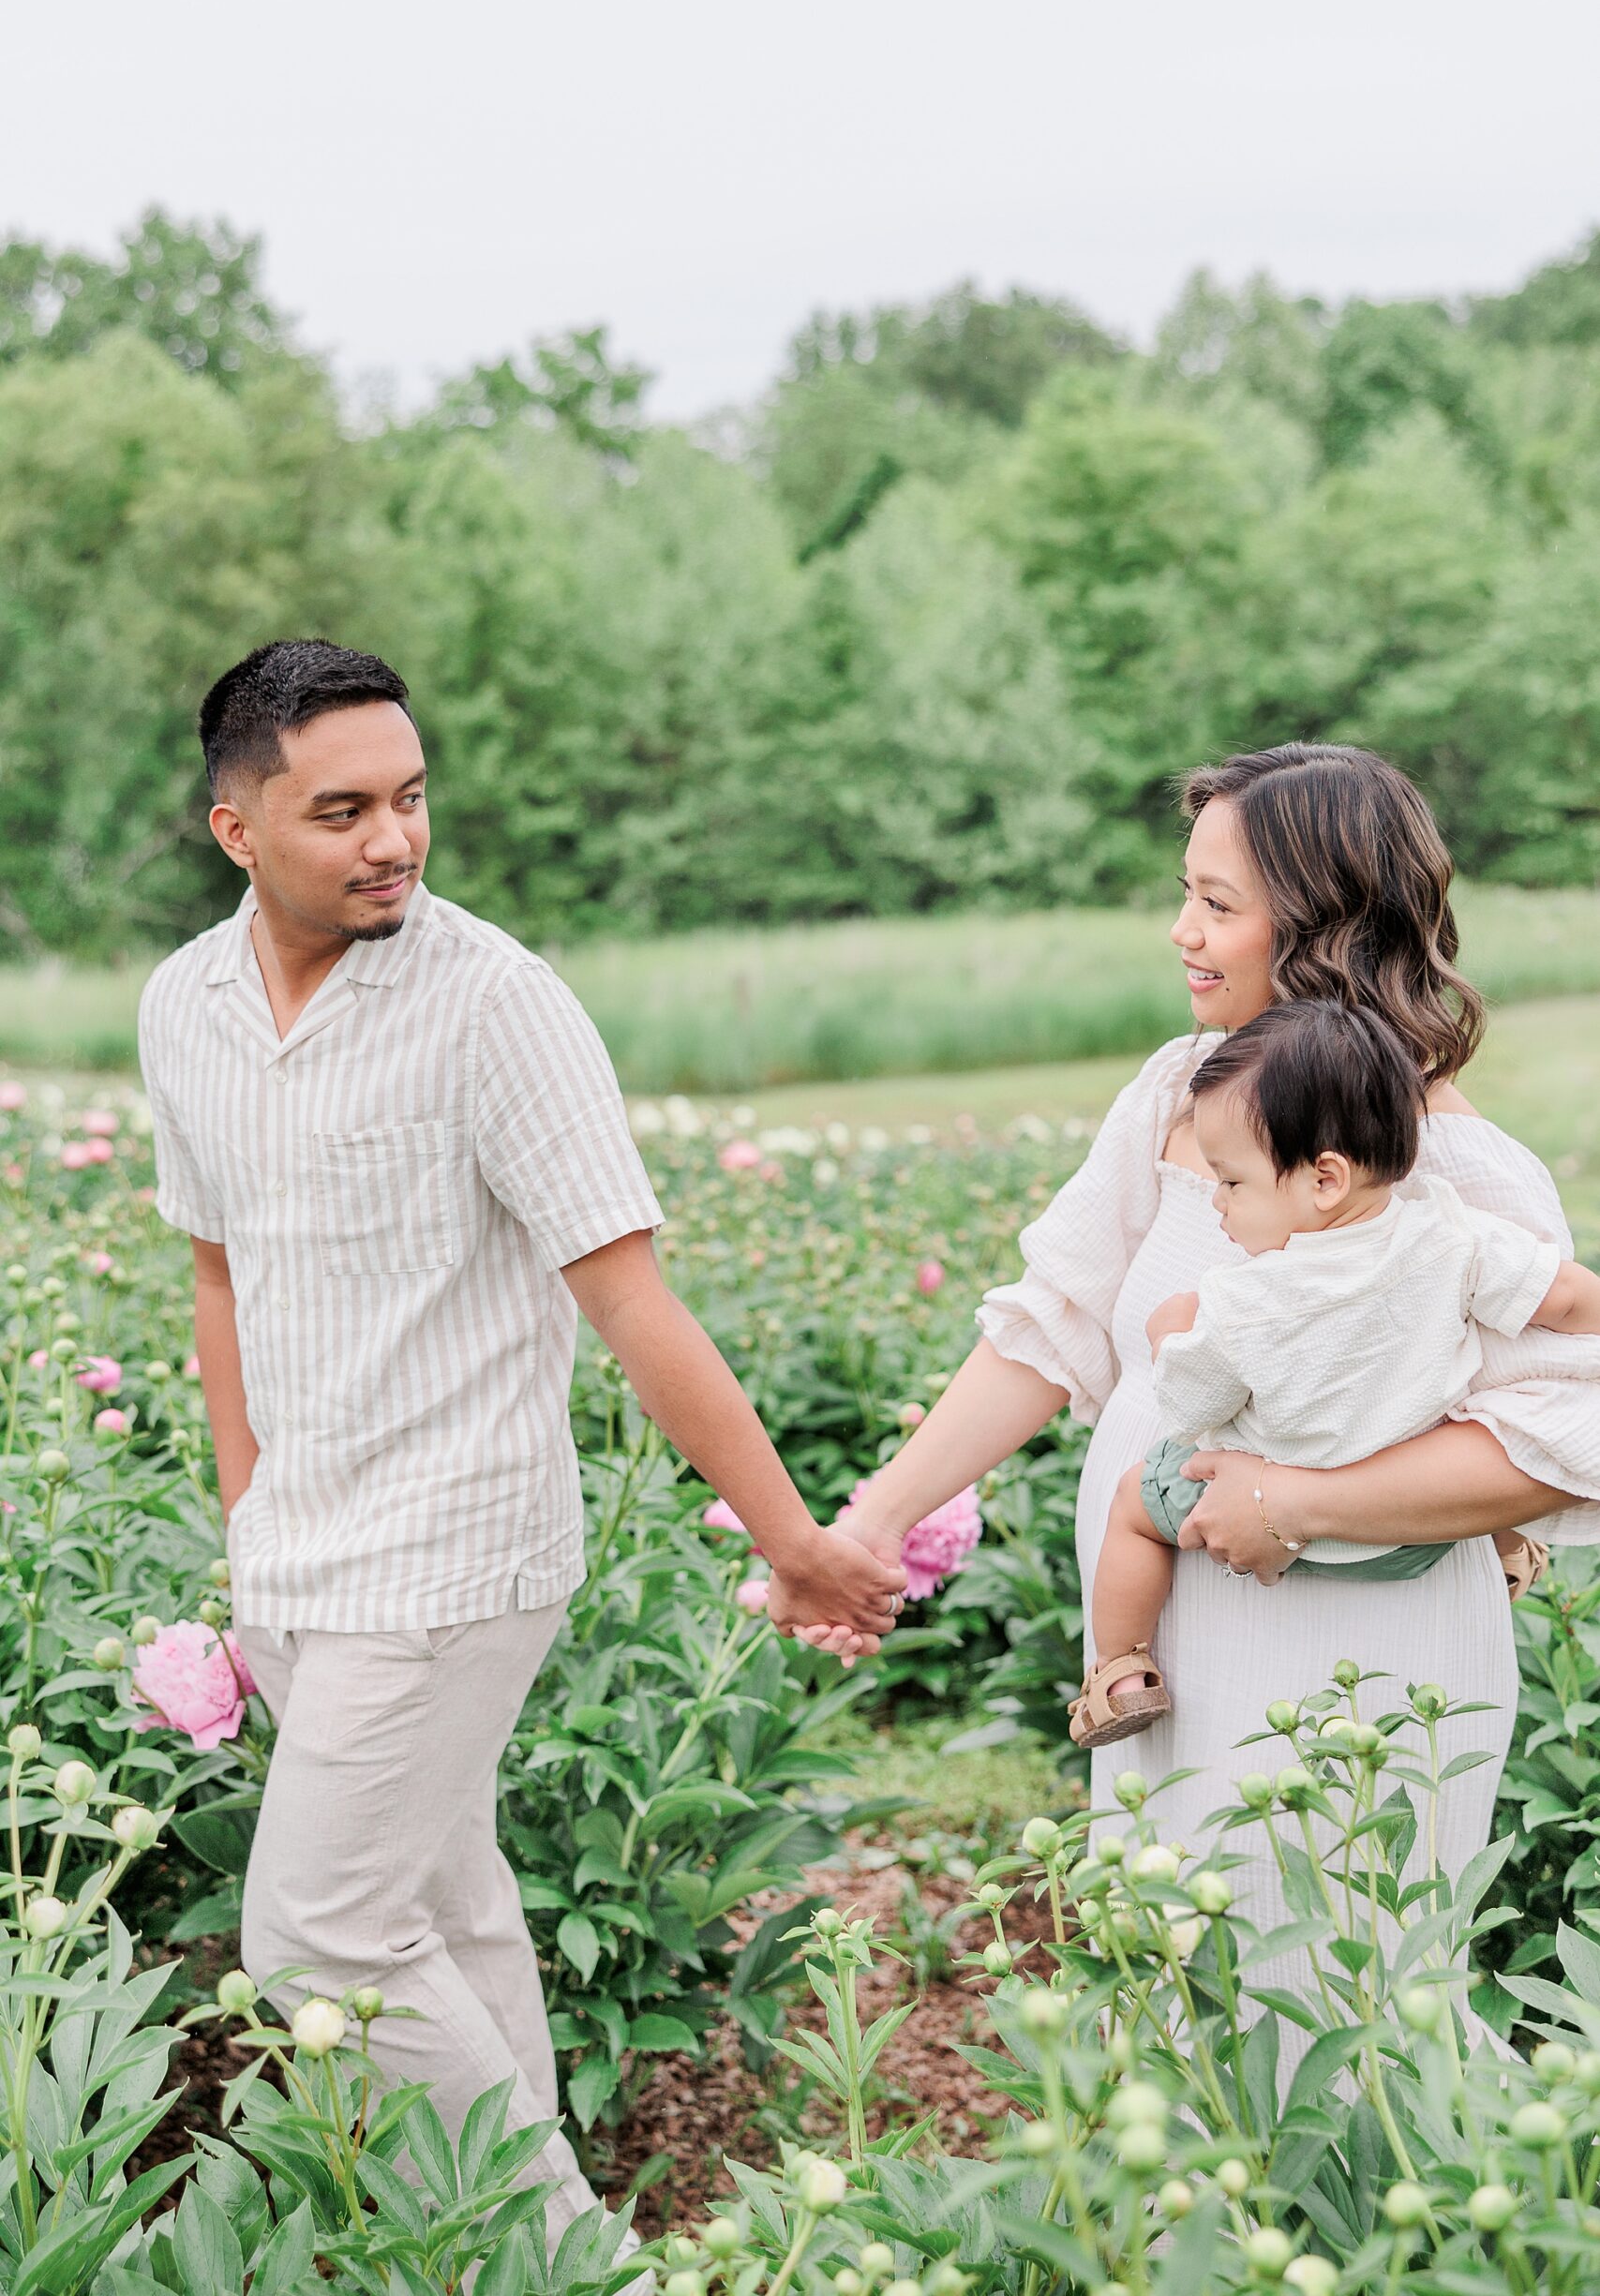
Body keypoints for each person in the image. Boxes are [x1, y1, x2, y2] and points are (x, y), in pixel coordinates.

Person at [138, 640, 905, 2259]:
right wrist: (247, 1505)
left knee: (318, 1940)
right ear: (236, 829)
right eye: (342, 809)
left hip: (454, 1543)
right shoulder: (180, 1008)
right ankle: (504, 2255)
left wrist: (789, 1537)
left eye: (410, 798)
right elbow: (217, 1267)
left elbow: (630, 1296)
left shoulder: (494, 1001)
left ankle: (573, 2264)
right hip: (300, 1551)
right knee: (444, 1910)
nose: (393, 839)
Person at [770, 743, 1600, 1940]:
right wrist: (872, 1526)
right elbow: (1048, 1326)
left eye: (1217, 903)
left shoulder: (1449, 1162)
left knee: (1328, 2003)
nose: (1180, 929)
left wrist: (1295, 1499)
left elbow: (1558, 1438)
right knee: (1171, 1981)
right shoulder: (1179, 1095)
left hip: (1362, 1668)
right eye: (1185, 892)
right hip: (1163, 1657)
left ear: (1328, 928)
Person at [1071, 998, 1600, 1749]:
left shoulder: (1244, 1302)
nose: (1217, 1203)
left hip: (1294, 1525)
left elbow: (1191, 1405)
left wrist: (1171, 1333)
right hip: (1415, 1537)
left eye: (1230, 1183)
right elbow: (1566, 1295)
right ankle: (1508, 1543)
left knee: (1135, 1501)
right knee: (1467, 1406)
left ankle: (1119, 1672)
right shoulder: (1452, 1233)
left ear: (1323, 1179)